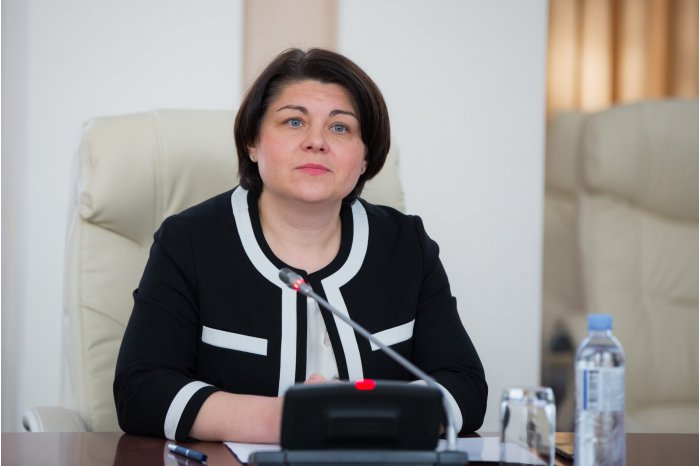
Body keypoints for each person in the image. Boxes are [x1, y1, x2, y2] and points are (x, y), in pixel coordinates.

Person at [113, 48, 487, 443]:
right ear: (252, 142)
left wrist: (366, 417)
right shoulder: (189, 242)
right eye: (294, 121)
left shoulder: (405, 246)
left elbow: (464, 386)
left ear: (365, 157)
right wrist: (289, 420)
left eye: (340, 127)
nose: (317, 142)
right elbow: (141, 391)